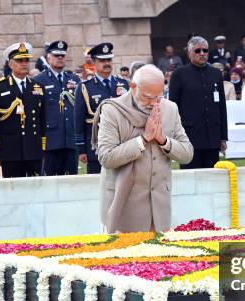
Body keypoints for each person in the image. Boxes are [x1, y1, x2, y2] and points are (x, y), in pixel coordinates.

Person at [93, 64, 193, 232]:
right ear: (133, 87)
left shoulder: (170, 108)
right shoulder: (112, 110)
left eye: (158, 97)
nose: (154, 104)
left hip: (160, 210)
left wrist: (162, 140)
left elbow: (187, 154)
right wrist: (144, 139)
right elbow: (106, 158)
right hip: (123, 208)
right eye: (148, 97)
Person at [0, 42, 46, 178]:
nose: (24, 63)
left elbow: (43, 119)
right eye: (20, 60)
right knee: (13, 192)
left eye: (26, 60)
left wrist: (42, 147)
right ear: (10, 64)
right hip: (10, 151)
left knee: (35, 190)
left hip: (33, 149)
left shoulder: (38, 87)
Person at [169, 36, 227, 169]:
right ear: (189, 53)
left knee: (213, 179)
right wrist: (174, 136)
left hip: (212, 136)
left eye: (205, 50)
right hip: (189, 136)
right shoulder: (179, 74)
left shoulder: (216, 74)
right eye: (197, 51)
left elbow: (221, 106)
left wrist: (223, 136)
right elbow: (172, 107)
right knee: (191, 180)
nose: (202, 54)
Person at [74, 42, 130, 174]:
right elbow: (78, 120)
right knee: (98, 185)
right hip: (96, 146)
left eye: (109, 59)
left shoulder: (122, 84)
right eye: (102, 60)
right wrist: (81, 149)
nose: (107, 63)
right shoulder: (85, 87)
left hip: (121, 144)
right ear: (93, 62)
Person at [34, 40, 81, 176]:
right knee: (49, 182)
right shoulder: (39, 80)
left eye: (62, 56)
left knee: (71, 181)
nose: (60, 58)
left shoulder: (74, 79)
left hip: (71, 139)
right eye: (56, 55)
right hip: (50, 141)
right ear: (48, 57)